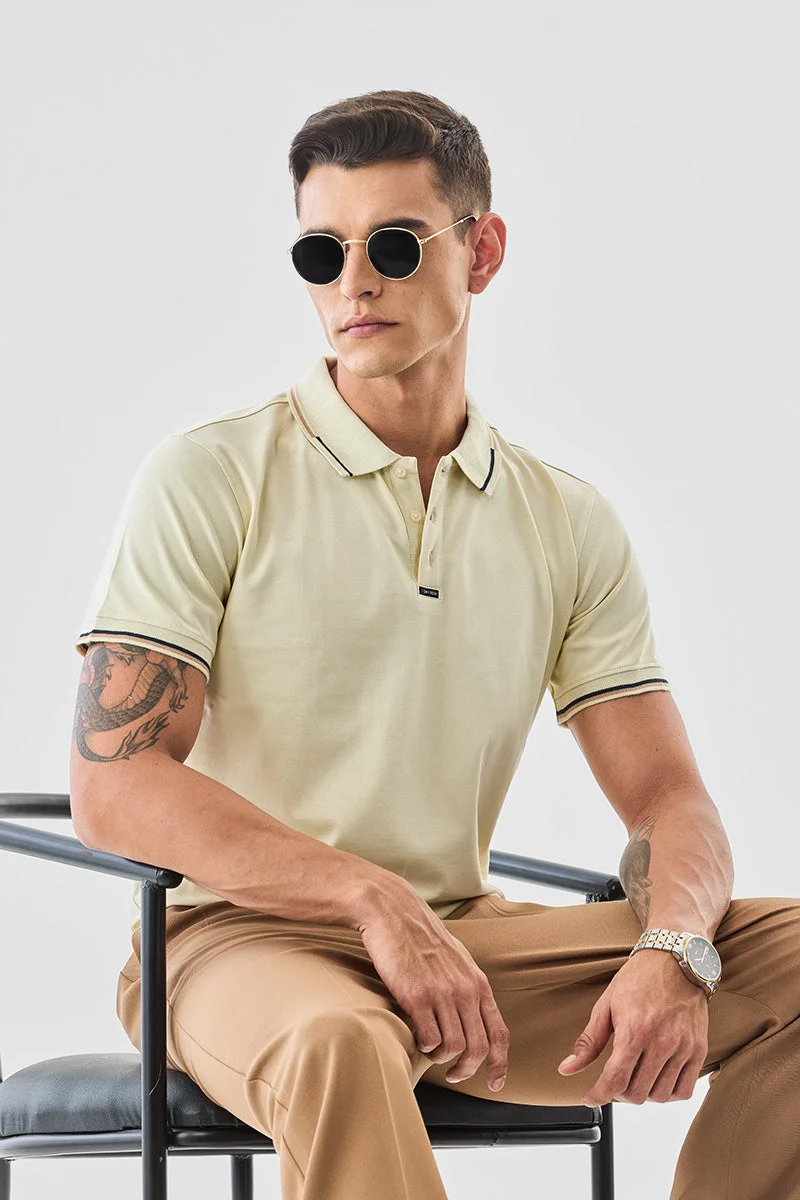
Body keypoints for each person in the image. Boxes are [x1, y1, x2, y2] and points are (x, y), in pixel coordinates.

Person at [69, 89, 800, 1200]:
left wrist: (672, 947)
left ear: (483, 251)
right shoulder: (210, 477)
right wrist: (371, 898)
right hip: (235, 943)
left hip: (465, 943)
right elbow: (115, 783)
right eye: (322, 252)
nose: (354, 283)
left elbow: (667, 799)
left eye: (395, 245)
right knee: (340, 1042)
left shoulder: (564, 521)